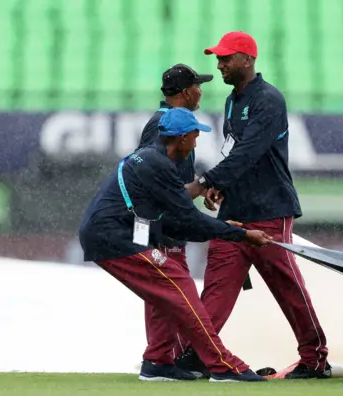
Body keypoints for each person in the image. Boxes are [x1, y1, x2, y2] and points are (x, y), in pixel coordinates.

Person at [78, 108, 271, 383]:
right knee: (179, 281)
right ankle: (222, 365)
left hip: (109, 233)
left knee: (166, 290)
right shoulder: (159, 165)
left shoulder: (152, 158)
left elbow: (179, 222)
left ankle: (157, 362)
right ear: (180, 139)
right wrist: (239, 234)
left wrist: (227, 230)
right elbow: (190, 220)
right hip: (113, 237)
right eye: (194, 136)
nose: (196, 142)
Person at [181, 31, 332, 379]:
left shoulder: (269, 100)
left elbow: (250, 152)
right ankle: (198, 354)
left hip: (269, 211)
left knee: (288, 289)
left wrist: (205, 183)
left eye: (225, 58)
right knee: (217, 288)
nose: (219, 65)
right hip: (234, 212)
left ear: (247, 59)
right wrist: (221, 187)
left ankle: (315, 359)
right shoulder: (233, 101)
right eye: (217, 59)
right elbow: (235, 153)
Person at [136, 64, 213, 372]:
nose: (201, 91)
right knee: (168, 293)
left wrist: (198, 188)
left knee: (169, 294)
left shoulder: (168, 123)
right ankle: (159, 359)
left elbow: (174, 179)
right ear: (185, 93)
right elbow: (153, 181)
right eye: (197, 86)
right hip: (160, 226)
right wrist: (203, 185)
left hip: (164, 223)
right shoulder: (162, 125)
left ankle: (167, 359)